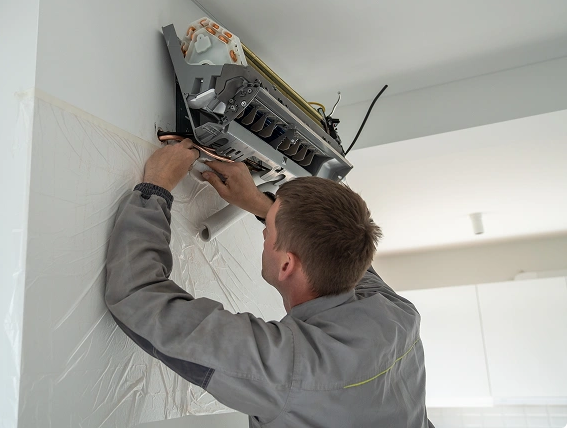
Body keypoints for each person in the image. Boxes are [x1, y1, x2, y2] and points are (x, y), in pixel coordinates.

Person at [105, 139, 434, 427]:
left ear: (287, 264)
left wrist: (156, 187)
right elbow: (342, 250)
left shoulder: (288, 370)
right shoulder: (397, 314)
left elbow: (136, 296)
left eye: (269, 231)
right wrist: (260, 204)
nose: (263, 232)